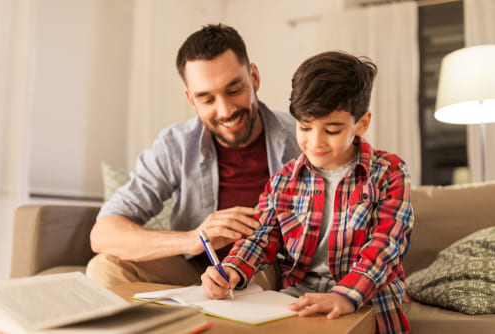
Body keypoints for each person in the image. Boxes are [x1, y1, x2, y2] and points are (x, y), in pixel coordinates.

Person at [201, 51, 414, 334]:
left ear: (361, 123)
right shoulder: (283, 181)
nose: (315, 142)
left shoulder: (389, 172)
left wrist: (346, 295)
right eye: (305, 127)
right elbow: (261, 238)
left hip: (367, 299)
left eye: (332, 130)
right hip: (298, 299)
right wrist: (232, 269)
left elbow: (386, 246)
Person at [86, 24, 300, 288]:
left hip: (266, 270)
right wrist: (194, 239)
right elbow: (104, 234)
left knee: (260, 277)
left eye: (234, 90)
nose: (225, 110)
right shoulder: (175, 145)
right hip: (195, 270)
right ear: (191, 99)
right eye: (207, 99)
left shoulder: (304, 136)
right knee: (105, 268)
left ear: (253, 77)